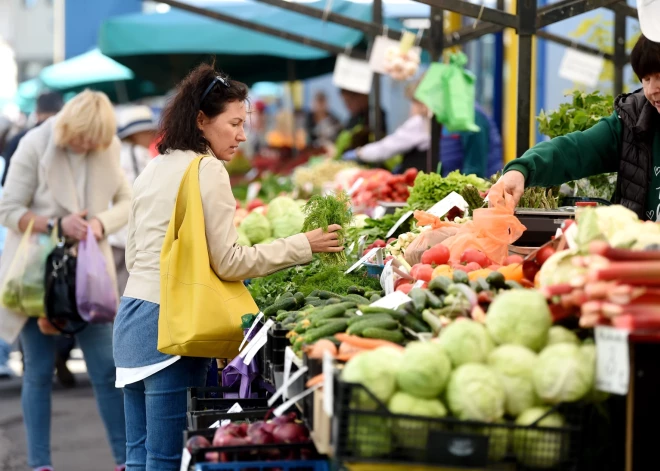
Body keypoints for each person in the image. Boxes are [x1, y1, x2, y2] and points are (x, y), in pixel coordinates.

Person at [112, 63, 343, 471]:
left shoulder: (155, 166)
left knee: (138, 457)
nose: (241, 135)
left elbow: (134, 254)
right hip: (174, 325)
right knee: (167, 459)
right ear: (202, 120)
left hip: (131, 318)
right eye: (234, 123)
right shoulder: (207, 170)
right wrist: (302, 245)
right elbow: (230, 262)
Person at [0, 90, 130, 471]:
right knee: (37, 373)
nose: (87, 145)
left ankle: (125, 461)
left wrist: (101, 223)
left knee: (106, 370)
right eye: (81, 138)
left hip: (90, 277)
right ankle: (40, 464)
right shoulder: (35, 143)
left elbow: (128, 198)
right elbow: (8, 208)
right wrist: (55, 224)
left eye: (94, 141)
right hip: (37, 277)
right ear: (67, 126)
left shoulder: (108, 146)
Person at [492, 34, 660, 220]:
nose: (653, 89)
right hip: (640, 247)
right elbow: (574, 149)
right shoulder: (632, 121)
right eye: (646, 79)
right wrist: (521, 170)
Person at [342, 82, 502, 177]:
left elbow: (475, 168)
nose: (420, 108)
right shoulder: (445, 118)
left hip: (480, 191)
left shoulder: (471, 116)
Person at [110, 105, 157, 295]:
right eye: (147, 132)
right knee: (130, 289)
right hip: (131, 233)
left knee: (118, 286)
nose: (150, 136)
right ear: (135, 133)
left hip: (114, 232)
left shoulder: (117, 152)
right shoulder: (138, 154)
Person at [2, 92, 64, 186]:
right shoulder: (70, 140)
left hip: (24, 197)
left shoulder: (20, 138)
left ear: (37, 113)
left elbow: (5, 181)